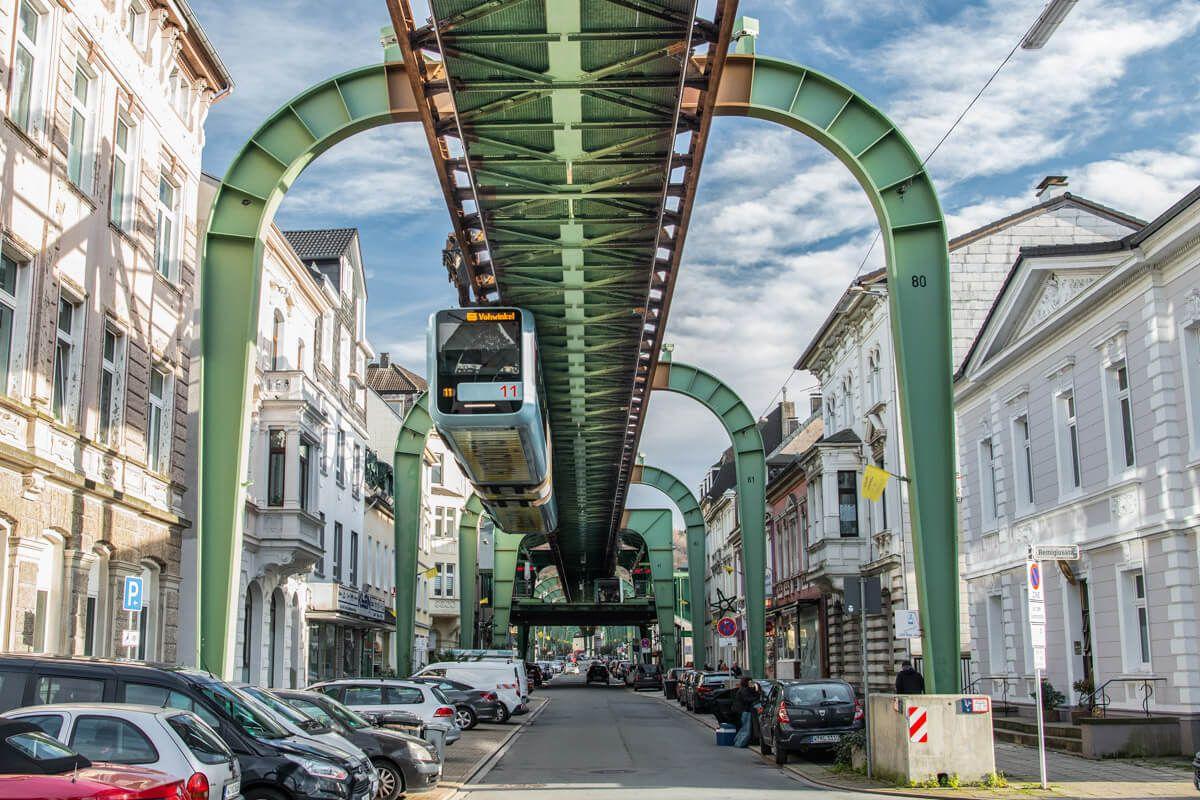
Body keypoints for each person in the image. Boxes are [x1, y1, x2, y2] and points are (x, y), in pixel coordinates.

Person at [732, 677, 759, 748]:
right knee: (746, 729)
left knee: (743, 728)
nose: (751, 683)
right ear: (747, 682)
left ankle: (736, 741)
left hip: (741, 710)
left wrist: (755, 689)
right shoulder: (744, 690)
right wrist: (757, 697)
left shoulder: (743, 689)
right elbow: (747, 699)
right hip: (744, 711)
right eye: (750, 682)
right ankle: (740, 743)